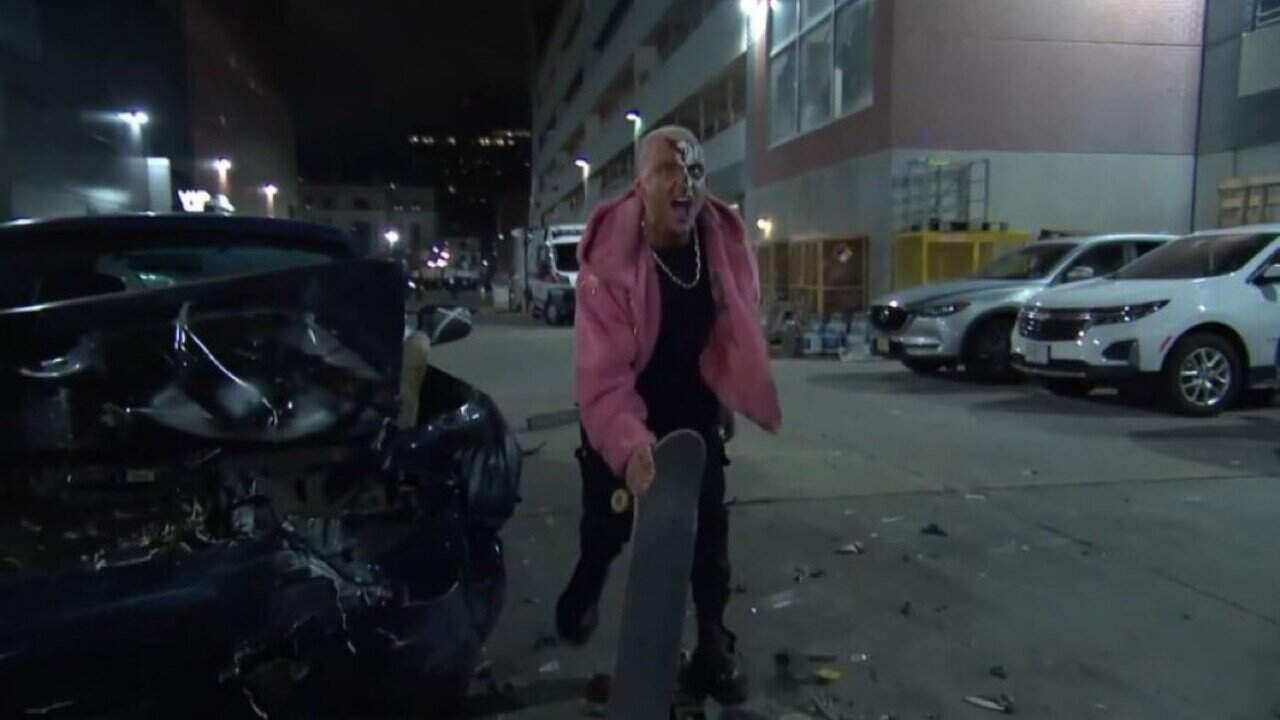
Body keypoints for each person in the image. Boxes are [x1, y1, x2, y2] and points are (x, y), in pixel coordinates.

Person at [556, 125, 782, 705]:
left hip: (691, 413)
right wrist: (630, 449)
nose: (685, 183)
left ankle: (711, 645)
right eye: (668, 171)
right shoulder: (610, 264)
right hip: (621, 406)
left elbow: (732, 330)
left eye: (695, 172)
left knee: (709, 534)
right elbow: (602, 378)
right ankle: (588, 579)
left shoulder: (722, 245)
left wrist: (726, 395)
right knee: (608, 525)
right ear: (641, 184)